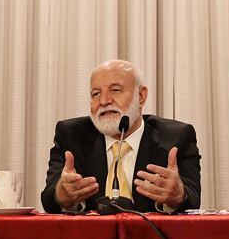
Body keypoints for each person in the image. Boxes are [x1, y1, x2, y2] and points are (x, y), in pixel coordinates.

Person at [41, 59, 201, 213]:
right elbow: (49, 199)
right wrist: (61, 194)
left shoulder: (176, 137)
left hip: (152, 232)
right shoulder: (71, 135)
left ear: (141, 96)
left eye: (115, 90)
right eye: (96, 94)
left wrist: (179, 196)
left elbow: (192, 200)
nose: (104, 101)